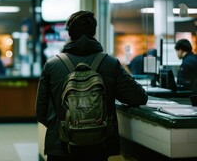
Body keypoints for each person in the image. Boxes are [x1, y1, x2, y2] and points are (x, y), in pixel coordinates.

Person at [35, 10, 148, 161]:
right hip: (99, 145)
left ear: (70, 34)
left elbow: (41, 112)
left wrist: (63, 127)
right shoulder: (110, 63)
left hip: (60, 146)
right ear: (93, 32)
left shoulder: (52, 65)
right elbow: (138, 97)